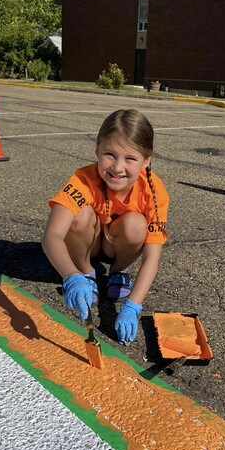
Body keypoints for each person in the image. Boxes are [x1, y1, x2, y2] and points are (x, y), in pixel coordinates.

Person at [42, 108, 169, 345]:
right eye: (109, 154)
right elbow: (52, 236)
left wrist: (133, 306)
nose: (118, 167)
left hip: (116, 247)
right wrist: (71, 276)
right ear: (97, 151)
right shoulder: (82, 179)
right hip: (86, 244)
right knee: (79, 215)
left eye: (130, 158)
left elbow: (152, 257)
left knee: (136, 224)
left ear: (146, 161)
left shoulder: (154, 192)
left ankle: (117, 273)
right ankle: (86, 272)